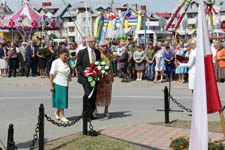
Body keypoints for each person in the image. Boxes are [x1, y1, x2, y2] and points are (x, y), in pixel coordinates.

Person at [76, 36, 101, 120]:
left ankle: (90, 113)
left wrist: (99, 71)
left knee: (93, 96)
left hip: (95, 77)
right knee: (88, 94)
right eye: (92, 41)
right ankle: (85, 113)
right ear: (88, 42)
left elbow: (99, 64)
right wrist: (84, 73)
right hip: (85, 78)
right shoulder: (82, 52)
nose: (94, 43)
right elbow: (78, 65)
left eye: (95, 41)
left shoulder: (97, 52)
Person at [49, 49, 71, 123]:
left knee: (63, 99)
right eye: (64, 55)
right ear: (60, 55)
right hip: (58, 83)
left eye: (67, 55)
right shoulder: (56, 62)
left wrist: (69, 65)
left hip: (65, 83)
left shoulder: (66, 62)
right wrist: (51, 85)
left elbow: (70, 70)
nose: (66, 56)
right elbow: (51, 74)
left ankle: (57, 112)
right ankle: (62, 116)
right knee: (61, 100)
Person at [96, 40, 114, 118]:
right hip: (100, 78)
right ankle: (95, 110)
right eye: (103, 46)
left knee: (108, 94)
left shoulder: (108, 55)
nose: (105, 47)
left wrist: (112, 75)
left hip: (108, 78)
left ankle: (106, 111)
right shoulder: (96, 54)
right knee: (97, 94)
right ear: (99, 46)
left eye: (106, 46)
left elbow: (111, 66)